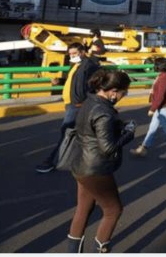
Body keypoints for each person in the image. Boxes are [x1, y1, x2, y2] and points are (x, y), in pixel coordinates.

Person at [67, 69, 135, 253]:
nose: (124, 95)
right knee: (113, 210)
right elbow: (108, 148)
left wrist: (117, 125)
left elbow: (92, 130)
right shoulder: (103, 112)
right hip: (96, 169)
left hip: (80, 164)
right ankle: (101, 250)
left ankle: (73, 252)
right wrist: (128, 133)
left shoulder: (90, 102)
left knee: (83, 209)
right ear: (113, 91)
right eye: (123, 92)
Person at [36, 43, 100, 173]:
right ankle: (89, 160)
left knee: (66, 133)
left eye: (74, 53)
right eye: (70, 54)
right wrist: (60, 81)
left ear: (82, 52)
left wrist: (82, 101)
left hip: (76, 105)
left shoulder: (90, 66)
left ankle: (51, 161)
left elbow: (94, 86)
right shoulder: (75, 65)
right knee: (79, 134)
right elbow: (73, 81)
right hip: (70, 104)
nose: (72, 56)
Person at [130, 57, 166, 159]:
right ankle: (144, 148)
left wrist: (153, 108)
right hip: (163, 106)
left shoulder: (164, 78)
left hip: (164, 107)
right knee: (152, 128)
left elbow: (160, 96)